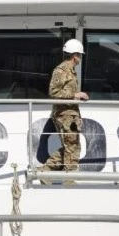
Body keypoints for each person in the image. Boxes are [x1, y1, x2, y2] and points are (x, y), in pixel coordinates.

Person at [39, 39, 89, 185]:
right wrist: (75, 95)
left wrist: (77, 115)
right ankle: (68, 179)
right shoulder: (61, 70)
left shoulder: (71, 71)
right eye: (80, 55)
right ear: (75, 55)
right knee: (71, 146)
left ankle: (47, 171)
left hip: (70, 114)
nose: (80, 58)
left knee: (73, 146)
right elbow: (53, 92)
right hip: (63, 114)